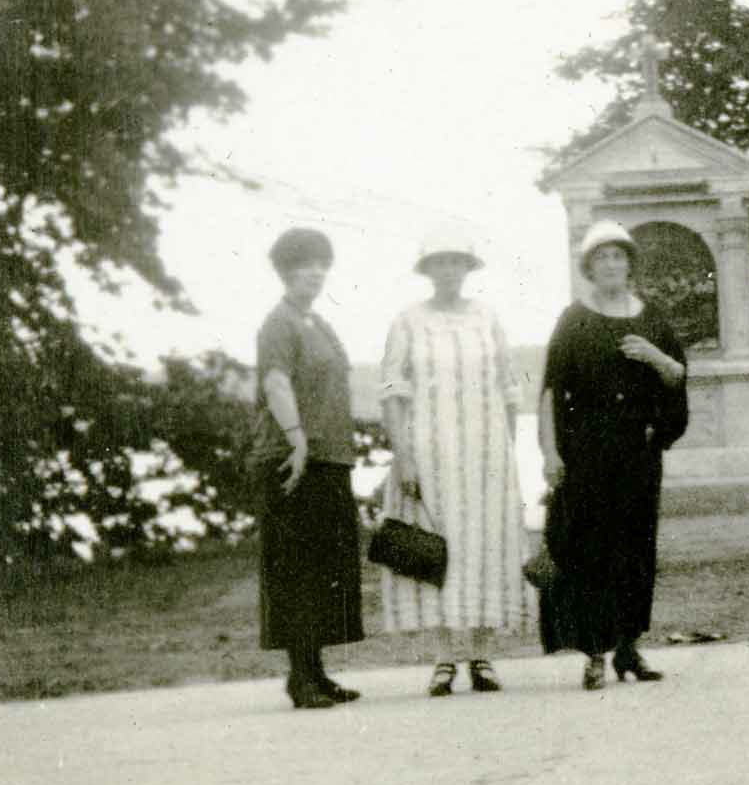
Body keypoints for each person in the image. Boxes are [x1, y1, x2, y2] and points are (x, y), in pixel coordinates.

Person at [536, 219, 689, 689]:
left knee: (636, 550)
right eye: (601, 258)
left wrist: (655, 357)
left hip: (638, 453)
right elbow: (548, 391)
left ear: (630, 264)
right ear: (589, 267)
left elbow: (678, 376)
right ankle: (595, 653)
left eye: (618, 256)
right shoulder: (573, 318)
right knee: (591, 551)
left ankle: (629, 648)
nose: (610, 265)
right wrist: (549, 452)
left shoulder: (652, 317)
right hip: (585, 454)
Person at [375, 236, 527, 697]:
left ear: (467, 267)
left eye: (456, 262)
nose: (448, 270)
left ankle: (481, 655)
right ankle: (444, 659)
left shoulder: (488, 317)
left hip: (485, 454)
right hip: (431, 452)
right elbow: (392, 390)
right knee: (439, 551)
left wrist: (507, 451)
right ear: (427, 269)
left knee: (483, 549)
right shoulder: (408, 320)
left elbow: (509, 387)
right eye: (439, 263)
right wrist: (404, 457)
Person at [251, 226, 364, 712]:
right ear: (285, 270)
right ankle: (300, 679)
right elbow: (276, 381)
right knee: (295, 571)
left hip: (328, 459)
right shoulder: (278, 322)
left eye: (321, 263)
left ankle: (317, 672)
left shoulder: (316, 321)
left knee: (322, 571)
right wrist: (296, 440)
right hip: (294, 460)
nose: (315, 272)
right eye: (304, 264)